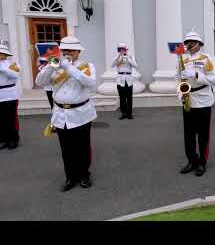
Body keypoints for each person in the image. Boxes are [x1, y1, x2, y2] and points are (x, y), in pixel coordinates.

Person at [35, 36, 97, 191]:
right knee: (66, 149)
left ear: (78, 51)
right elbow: (40, 82)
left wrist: (68, 67)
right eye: (64, 50)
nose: (67, 52)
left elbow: (91, 84)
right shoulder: (54, 65)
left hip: (81, 113)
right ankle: (70, 177)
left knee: (82, 147)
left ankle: (84, 175)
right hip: (61, 114)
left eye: (70, 50)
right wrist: (51, 66)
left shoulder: (86, 66)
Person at [177, 31, 215, 177]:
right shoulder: (182, 59)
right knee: (188, 134)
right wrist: (180, 93)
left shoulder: (206, 59)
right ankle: (192, 161)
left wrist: (196, 75)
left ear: (198, 44)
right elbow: (179, 79)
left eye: (191, 41)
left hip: (203, 100)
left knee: (203, 134)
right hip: (188, 99)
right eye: (187, 41)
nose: (188, 44)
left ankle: (202, 162)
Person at [0, 42, 20, 150]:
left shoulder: (13, 64)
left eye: (1, 53)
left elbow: (15, 76)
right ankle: (4, 139)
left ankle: (13, 139)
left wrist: (2, 69)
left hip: (10, 94)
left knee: (11, 118)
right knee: (1, 119)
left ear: (5, 54)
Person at [111, 42, 138, 120]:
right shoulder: (117, 57)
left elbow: (136, 66)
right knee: (122, 97)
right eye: (120, 49)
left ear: (126, 49)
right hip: (120, 79)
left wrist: (128, 58)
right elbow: (112, 65)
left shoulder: (130, 56)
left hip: (129, 79)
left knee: (129, 97)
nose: (122, 50)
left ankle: (129, 113)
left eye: (124, 49)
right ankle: (123, 113)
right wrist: (119, 56)